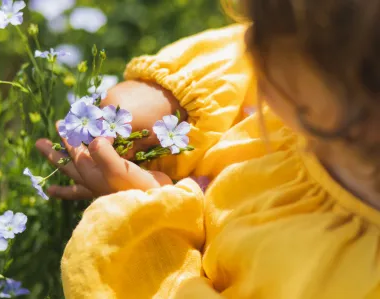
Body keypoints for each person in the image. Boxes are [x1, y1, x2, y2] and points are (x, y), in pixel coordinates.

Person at [36, 0, 380, 298]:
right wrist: (170, 100)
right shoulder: (332, 85)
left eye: (262, 42)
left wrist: (146, 221)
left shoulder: (336, 280)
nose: (245, 43)